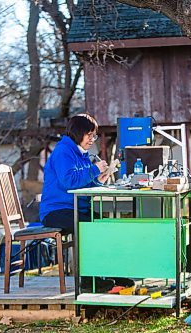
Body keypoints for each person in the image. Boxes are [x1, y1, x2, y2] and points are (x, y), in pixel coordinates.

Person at [39, 113, 134, 292]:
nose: (92, 139)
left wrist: (100, 178)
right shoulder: (63, 151)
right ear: (77, 132)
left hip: (74, 208)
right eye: (89, 135)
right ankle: (90, 281)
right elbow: (69, 181)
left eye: (94, 135)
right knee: (88, 227)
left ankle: (109, 273)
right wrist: (93, 169)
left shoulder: (80, 153)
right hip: (56, 211)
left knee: (103, 224)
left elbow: (84, 182)